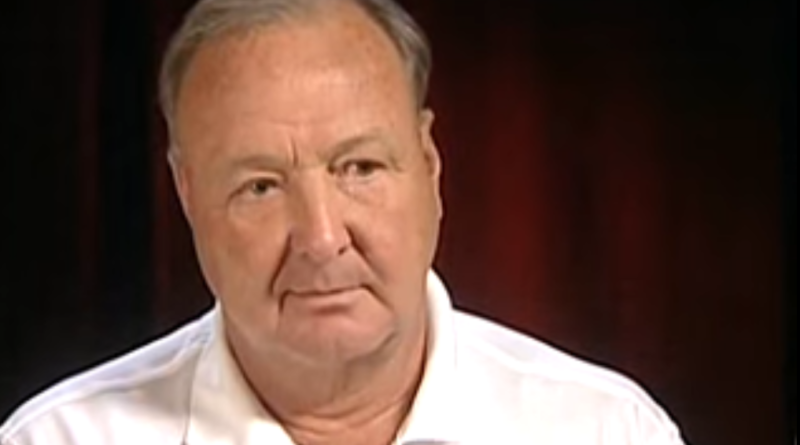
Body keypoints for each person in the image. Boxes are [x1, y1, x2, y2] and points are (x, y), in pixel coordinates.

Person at [0, 0, 686, 444]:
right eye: (261, 186)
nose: (322, 238)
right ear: (187, 195)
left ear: (430, 168)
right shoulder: (59, 438)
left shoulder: (607, 430)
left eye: (359, 168)